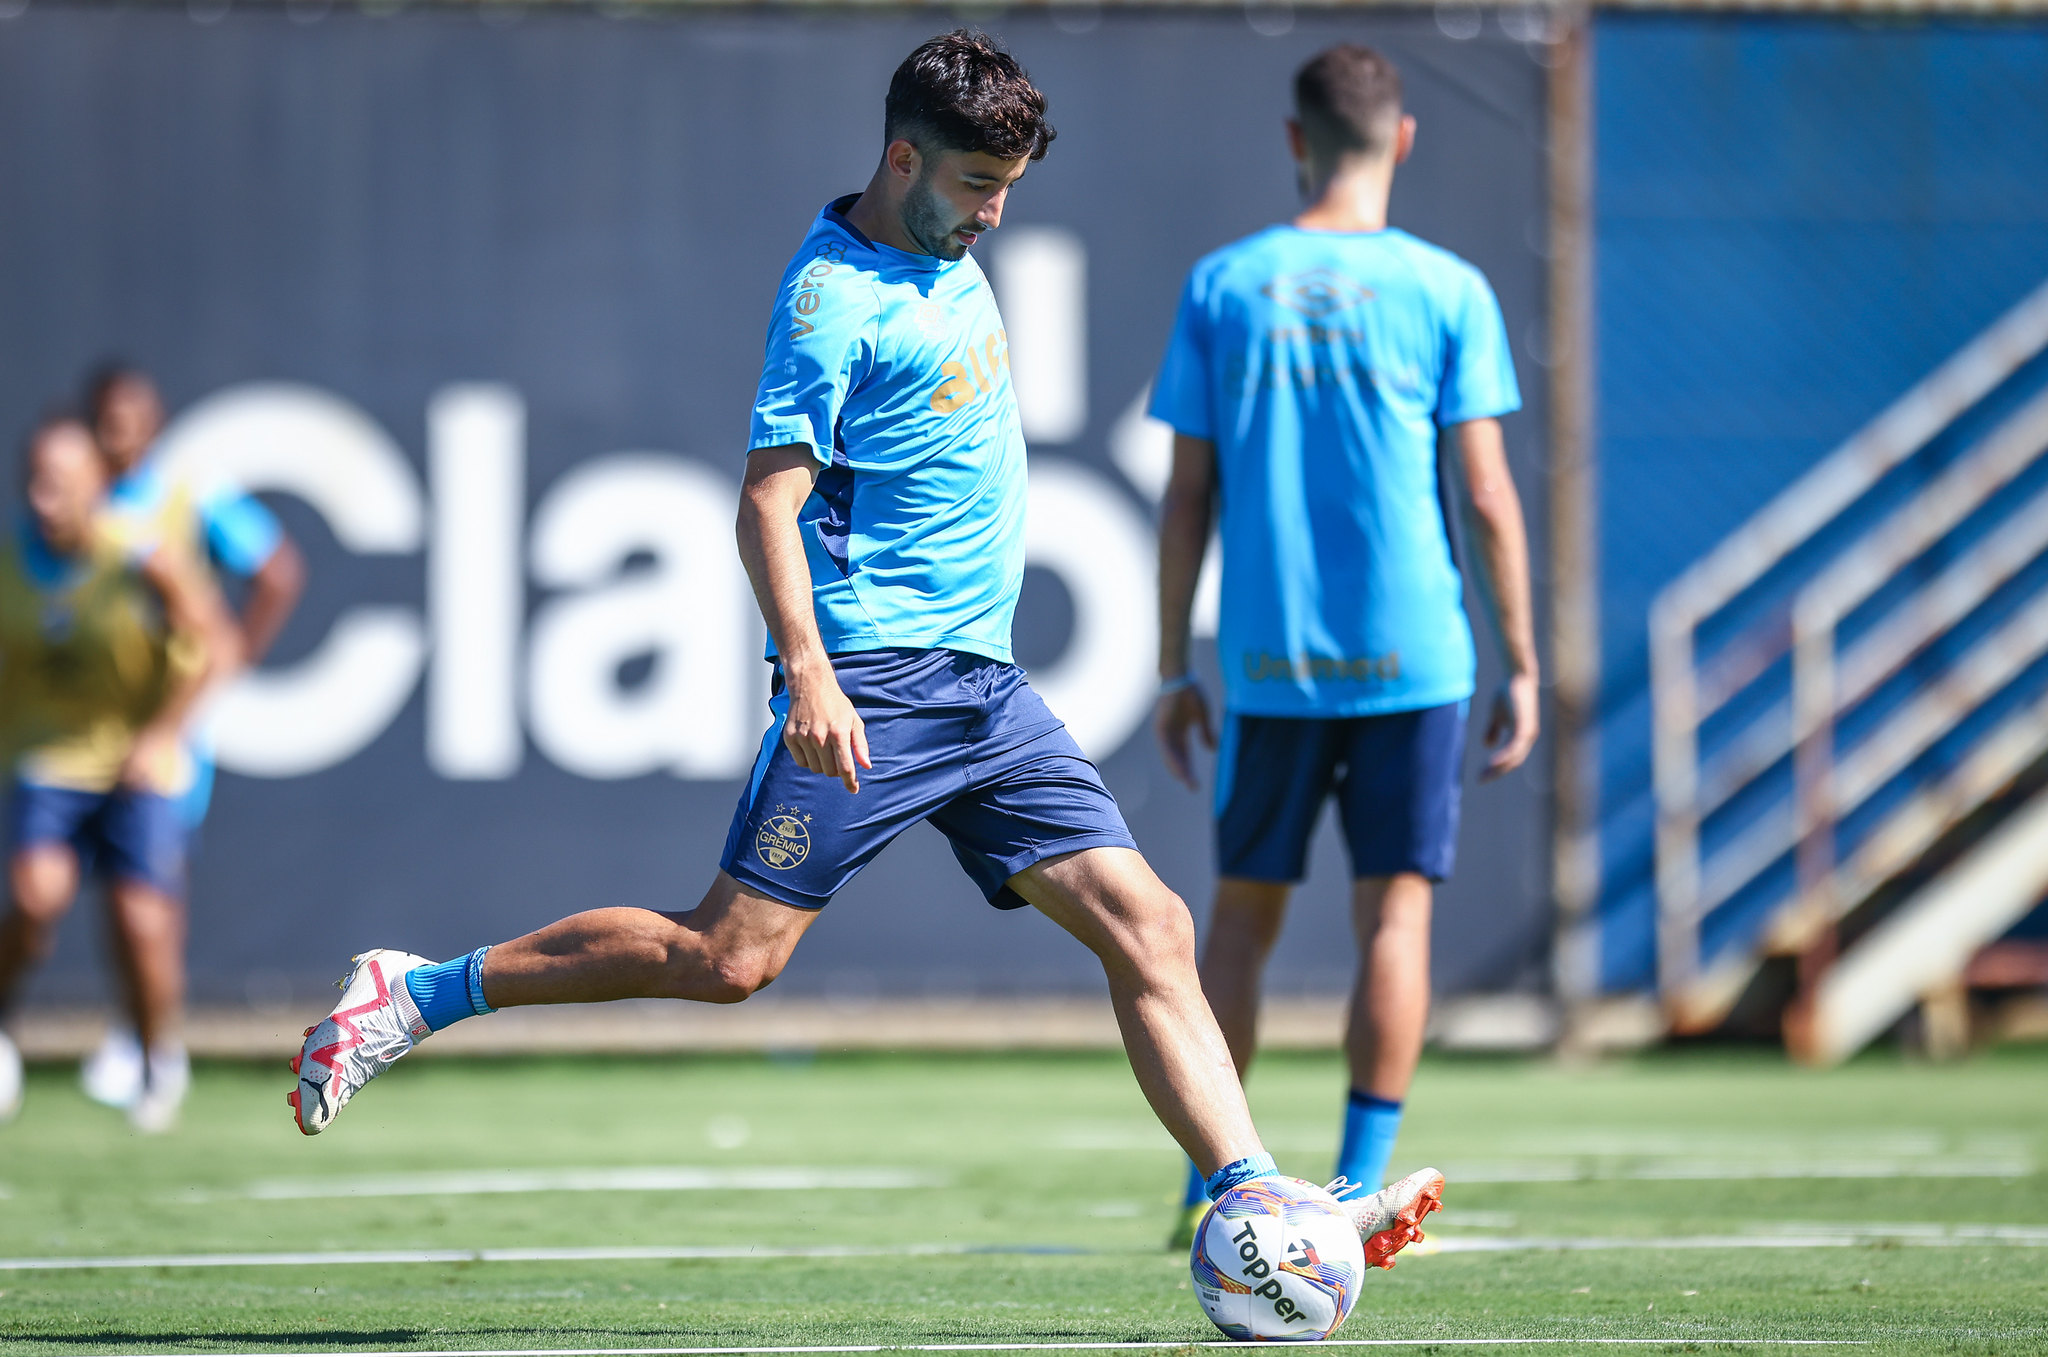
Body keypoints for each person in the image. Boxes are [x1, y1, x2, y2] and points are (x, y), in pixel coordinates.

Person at [285, 29, 1444, 1265]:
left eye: (1008, 189)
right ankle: (415, 992)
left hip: (984, 691)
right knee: (727, 960)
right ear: (902, 160)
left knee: (1150, 924)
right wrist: (812, 676)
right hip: (875, 684)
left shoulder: (947, 245)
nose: (995, 216)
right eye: (976, 187)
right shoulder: (829, 298)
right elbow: (764, 504)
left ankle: (1255, 1196)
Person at [1150, 44, 1537, 1247]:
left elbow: (1186, 494)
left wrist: (1174, 663)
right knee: (1396, 919)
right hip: (1414, 658)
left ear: (1293, 138)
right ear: (1403, 138)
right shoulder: (1448, 288)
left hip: (1269, 663)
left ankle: (1211, 1178)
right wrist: (1520, 656)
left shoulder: (1224, 283)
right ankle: (1360, 1179)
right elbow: (1483, 492)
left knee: (1240, 921)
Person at [74, 365, 305, 1109]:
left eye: (129, 418)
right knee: (112, 889)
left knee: (150, 886)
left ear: (154, 422)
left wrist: (235, 654)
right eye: (105, 419)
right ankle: (132, 1032)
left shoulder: (186, 497)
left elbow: (276, 569)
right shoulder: (73, 500)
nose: (117, 434)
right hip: (83, 728)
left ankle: (153, 1046)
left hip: (161, 727)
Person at [0, 415, 239, 1130]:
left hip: (138, 762)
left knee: (141, 922)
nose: (47, 498)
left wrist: (162, 734)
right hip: (50, 757)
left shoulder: (140, 558)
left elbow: (216, 644)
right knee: (37, 900)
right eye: (36, 481)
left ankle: (155, 1056)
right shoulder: (11, 564)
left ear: (98, 489)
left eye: (63, 484)